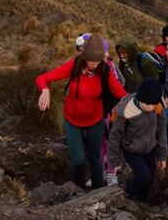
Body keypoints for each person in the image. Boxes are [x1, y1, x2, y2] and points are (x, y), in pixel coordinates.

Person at [36, 37, 127, 189]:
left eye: (96, 61)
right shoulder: (75, 65)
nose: (93, 64)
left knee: (94, 158)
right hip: (72, 120)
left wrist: (135, 105)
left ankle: (98, 190)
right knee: (78, 160)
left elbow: (121, 94)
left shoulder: (104, 70)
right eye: (90, 60)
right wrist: (45, 90)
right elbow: (42, 78)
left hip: (95, 120)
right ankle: (77, 189)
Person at [108, 78, 168, 203]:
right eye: (148, 104)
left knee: (150, 178)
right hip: (131, 149)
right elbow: (114, 136)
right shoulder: (126, 112)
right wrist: (115, 160)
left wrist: (162, 156)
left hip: (150, 148)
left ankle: (143, 202)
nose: (151, 107)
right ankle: (129, 191)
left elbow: (162, 132)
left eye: (154, 104)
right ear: (140, 99)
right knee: (143, 177)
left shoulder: (158, 108)